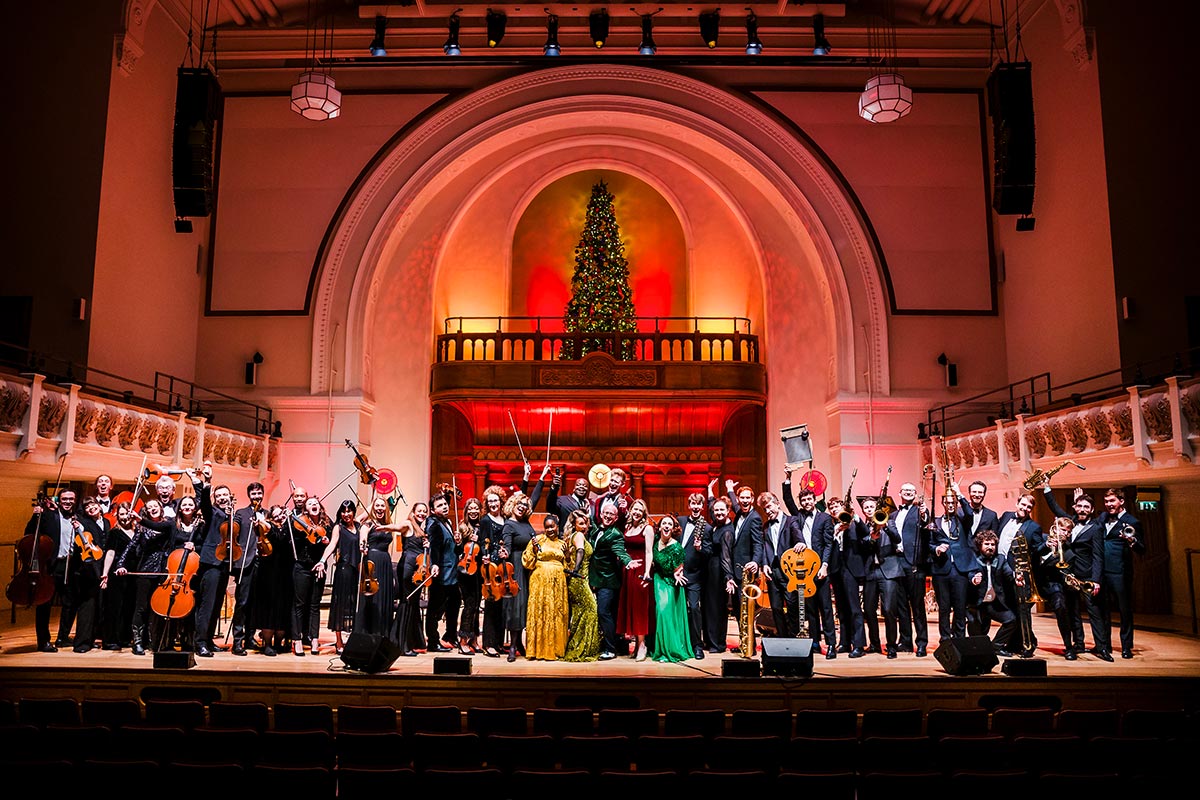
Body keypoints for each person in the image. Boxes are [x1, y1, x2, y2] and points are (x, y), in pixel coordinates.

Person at [1039, 485, 1107, 660]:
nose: (1083, 510)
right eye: (1080, 506)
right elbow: (1055, 507)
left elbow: (1098, 555)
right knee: (1073, 611)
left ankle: (1101, 647)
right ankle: (1079, 644)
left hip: (1087, 574)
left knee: (1094, 612)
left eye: (1086, 507)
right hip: (1069, 574)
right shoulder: (1069, 521)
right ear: (1075, 507)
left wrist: (1096, 580)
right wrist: (1046, 488)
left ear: (1091, 510)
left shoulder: (1096, 527)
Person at [23, 489, 77, 652]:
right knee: (44, 604)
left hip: (71, 565)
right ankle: (43, 641)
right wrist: (36, 515)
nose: (68, 502)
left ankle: (63, 637)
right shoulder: (49, 516)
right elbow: (30, 532)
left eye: (71, 499)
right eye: (65, 499)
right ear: (59, 501)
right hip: (52, 566)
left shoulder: (78, 518)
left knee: (70, 604)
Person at [787, 488, 837, 657]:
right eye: (804, 500)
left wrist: (824, 566)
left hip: (820, 568)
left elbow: (828, 544)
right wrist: (787, 479)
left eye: (809, 499)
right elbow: (788, 500)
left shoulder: (825, 518)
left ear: (814, 500)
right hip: (805, 570)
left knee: (825, 608)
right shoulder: (798, 516)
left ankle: (831, 644)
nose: (807, 502)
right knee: (810, 608)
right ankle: (814, 642)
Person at [994, 493, 1044, 656]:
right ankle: (1014, 643)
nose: (1025, 508)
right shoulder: (1006, 516)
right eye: (1023, 504)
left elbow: (1036, 551)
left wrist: (1048, 545)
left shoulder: (1033, 527)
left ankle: (1029, 645)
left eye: (1029, 507)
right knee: (1010, 609)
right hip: (1000, 569)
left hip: (1018, 573)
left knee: (1022, 610)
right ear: (1017, 503)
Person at [1097, 488, 1144, 659]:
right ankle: (1105, 645)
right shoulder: (1102, 517)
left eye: (1112, 501)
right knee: (1104, 610)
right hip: (1102, 572)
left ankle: (1126, 647)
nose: (1109, 505)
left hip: (1120, 572)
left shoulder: (1133, 521)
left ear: (1121, 501)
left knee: (1124, 611)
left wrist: (1132, 540)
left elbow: (1142, 549)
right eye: (1107, 501)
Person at [192, 480, 238, 657]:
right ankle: (200, 642)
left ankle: (209, 640)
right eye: (218, 496)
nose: (222, 498)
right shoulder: (212, 512)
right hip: (211, 563)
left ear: (230, 496)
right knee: (207, 604)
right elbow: (205, 504)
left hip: (226, 563)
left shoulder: (231, 514)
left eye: (224, 494)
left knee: (217, 604)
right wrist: (206, 487)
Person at [719, 481, 764, 654]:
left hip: (746, 570)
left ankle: (750, 646)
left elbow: (758, 543)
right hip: (736, 570)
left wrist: (755, 562)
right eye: (741, 498)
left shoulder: (755, 518)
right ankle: (745, 643)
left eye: (747, 498)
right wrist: (730, 489)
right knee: (739, 610)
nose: (744, 501)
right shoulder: (739, 512)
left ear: (752, 499)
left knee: (747, 610)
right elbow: (735, 503)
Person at [886, 482, 931, 657]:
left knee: (917, 606)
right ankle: (905, 641)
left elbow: (926, 521)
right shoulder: (893, 514)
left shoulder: (919, 511)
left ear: (915, 494)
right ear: (899, 493)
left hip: (914, 562)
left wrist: (924, 513)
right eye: (905, 490)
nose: (908, 493)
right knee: (901, 606)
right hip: (896, 562)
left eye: (911, 491)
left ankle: (921, 643)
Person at [929, 491, 979, 644]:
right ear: (943, 504)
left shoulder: (963, 520)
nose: (951, 505)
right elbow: (929, 543)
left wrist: (960, 494)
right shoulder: (935, 522)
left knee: (960, 607)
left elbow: (970, 513)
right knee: (943, 608)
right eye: (948, 502)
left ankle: (960, 639)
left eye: (953, 502)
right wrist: (936, 549)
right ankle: (945, 639)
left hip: (960, 569)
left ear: (957, 504)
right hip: (941, 570)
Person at [590, 500, 636, 660]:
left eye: (612, 514)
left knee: (604, 612)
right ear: (601, 515)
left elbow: (619, 550)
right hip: (595, 578)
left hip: (608, 581)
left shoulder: (615, 534)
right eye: (606, 513)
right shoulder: (596, 529)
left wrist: (628, 561)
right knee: (602, 613)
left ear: (616, 518)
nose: (608, 516)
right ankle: (603, 644)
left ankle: (610, 649)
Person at [61, 495, 109, 652]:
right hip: (88, 568)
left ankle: (93, 638)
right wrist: (78, 527)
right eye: (87, 507)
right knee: (87, 606)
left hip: (104, 566)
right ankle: (81, 643)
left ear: (99, 506)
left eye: (93, 504)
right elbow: (81, 533)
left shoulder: (107, 522)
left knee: (100, 606)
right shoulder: (84, 522)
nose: (91, 508)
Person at [225, 483, 266, 656]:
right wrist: (230, 516)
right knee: (242, 603)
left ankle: (250, 637)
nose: (256, 496)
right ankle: (238, 641)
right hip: (245, 563)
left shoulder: (267, 514)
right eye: (254, 493)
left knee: (257, 603)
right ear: (249, 495)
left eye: (259, 493)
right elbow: (232, 531)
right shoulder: (241, 513)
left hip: (263, 563)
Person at [522, 514, 569, 660]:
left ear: (557, 526)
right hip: (539, 582)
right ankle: (537, 650)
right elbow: (527, 562)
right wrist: (535, 552)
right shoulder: (537, 541)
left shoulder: (563, 543)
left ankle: (555, 649)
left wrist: (567, 556)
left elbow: (568, 568)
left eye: (552, 526)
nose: (549, 529)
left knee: (556, 613)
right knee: (540, 612)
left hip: (558, 583)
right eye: (547, 527)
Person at [859, 496, 902, 658]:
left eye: (872, 506)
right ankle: (875, 644)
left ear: (876, 508)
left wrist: (885, 527)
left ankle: (891, 645)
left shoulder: (889, 522)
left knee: (890, 609)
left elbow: (897, 539)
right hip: (871, 571)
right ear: (863, 511)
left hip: (888, 571)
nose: (869, 509)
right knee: (868, 609)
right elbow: (861, 547)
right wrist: (870, 539)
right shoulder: (863, 527)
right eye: (866, 507)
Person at [249, 504, 293, 657]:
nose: (280, 517)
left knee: (282, 609)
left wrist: (289, 519)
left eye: (282, 514)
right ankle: (267, 644)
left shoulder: (290, 528)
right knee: (268, 609)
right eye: (277, 515)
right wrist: (262, 520)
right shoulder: (268, 527)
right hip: (268, 573)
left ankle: (278, 643)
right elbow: (274, 533)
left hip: (285, 573)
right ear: (271, 517)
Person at [827, 497, 867, 658]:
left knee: (854, 608)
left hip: (851, 568)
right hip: (836, 568)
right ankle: (844, 642)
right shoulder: (830, 525)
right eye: (832, 507)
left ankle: (859, 644)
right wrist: (834, 533)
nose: (834, 509)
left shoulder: (853, 522)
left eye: (837, 506)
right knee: (841, 609)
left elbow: (865, 533)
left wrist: (855, 517)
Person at [321, 500, 363, 655]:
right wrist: (322, 560)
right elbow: (332, 545)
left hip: (357, 570)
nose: (346, 514)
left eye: (349, 511)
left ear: (353, 511)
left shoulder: (358, 526)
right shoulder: (338, 528)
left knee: (355, 606)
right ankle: (338, 641)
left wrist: (374, 486)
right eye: (343, 511)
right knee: (341, 605)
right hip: (343, 570)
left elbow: (371, 507)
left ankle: (352, 639)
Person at [649, 515, 693, 662]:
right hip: (657, 579)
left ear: (673, 529)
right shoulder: (655, 542)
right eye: (664, 523)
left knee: (664, 612)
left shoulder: (677, 547)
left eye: (670, 524)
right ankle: (658, 647)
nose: (667, 526)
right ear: (660, 527)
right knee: (658, 613)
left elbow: (679, 567)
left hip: (670, 582)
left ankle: (669, 650)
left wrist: (678, 574)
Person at [291, 497, 331, 656]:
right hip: (302, 566)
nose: (314, 505)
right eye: (310, 503)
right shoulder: (299, 523)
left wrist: (325, 542)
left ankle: (315, 639)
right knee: (299, 605)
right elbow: (294, 538)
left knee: (315, 605)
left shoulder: (326, 524)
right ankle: (297, 640)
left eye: (316, 503)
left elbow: (333, 541)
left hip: (319, 567)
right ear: (305, 509)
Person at [970, 529, 1019, 655]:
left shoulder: (1001, 559)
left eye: (992, 544)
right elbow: (968, 573)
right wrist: (973, 579)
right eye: (987, 544)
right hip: (977, 603)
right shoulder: (973, 559)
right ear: (980, 545)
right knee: (977, 636)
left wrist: (1016, 576)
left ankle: (996, 646)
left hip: (994, 603)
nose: (990, 547)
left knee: (1011, 620)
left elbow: (1008, 573)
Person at [617, 498, 655, 661]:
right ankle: (636, 645)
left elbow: (649, 552)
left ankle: (642, 645)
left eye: (640, 510)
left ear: (644, 513)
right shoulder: (627, 527)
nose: (637, 512)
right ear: (631, 510)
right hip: (627, 571)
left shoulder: (647, 529)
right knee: (631, 607)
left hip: (640, 570)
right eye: (635, 509)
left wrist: (647, 572)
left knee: (640, 608)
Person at [676, 492, 712, 660]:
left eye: (699, 504)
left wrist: (700, 549)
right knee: (675, 608)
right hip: (675, 573)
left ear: (702, 507)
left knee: (694, 609)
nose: (696, 507)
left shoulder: (707, 527)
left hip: (694, 576)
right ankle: (678, 643)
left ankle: (697, 645)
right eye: (693, 503)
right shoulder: (680, 522)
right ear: (689, 505)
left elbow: (708, 553)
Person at [501, 491, 536, 661]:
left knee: (526, 606)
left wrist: (542, 480)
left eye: (525, 505)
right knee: (516, 606)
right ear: (512, 505)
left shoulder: (526, 522)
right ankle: (513, 646)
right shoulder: (509, 524)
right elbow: (507, 546)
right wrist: (504, 552)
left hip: (529, 566)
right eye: (519, 504)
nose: (522, 507)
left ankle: (520, 643)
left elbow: (534, 498)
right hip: (517, 566)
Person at [562, 508, 600, 662]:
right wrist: (576, 570)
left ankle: (578, 645)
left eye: (586, 524)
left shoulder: (574, 536)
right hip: (579, 579)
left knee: (579, 614)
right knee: (591, 610)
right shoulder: (578, 536)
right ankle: (582, 647)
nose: (584, 527)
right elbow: (580, 552)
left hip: (578, 579)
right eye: (581, 524)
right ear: (574, 525)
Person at [99, 502, 138, 651]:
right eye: (121, 514)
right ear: (117, 516)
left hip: (133, 574)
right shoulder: (114, 532)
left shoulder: (138, 531)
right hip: (117, 573)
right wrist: (105, 573)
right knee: (114, 608)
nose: (124, 517)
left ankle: (124, 638)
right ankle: (110, 640)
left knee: (129, 607)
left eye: (127, 513)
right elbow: (110, 553)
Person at [425, 493, 460, 653]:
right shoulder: (433, 524)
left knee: (454, 604)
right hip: (441, 572)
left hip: (451, 572)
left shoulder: (447, 522)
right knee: (435, 609)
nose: (444, 506)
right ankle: (433, 641)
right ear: (432, 510)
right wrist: (435, 564)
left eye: (445, 504)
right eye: (439, 505)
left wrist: (457, 542)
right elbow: (435, 547)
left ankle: (450, 636)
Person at [395, 501, 430, 656]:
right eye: (419, 511)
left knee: (413, 604)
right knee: (407, 602)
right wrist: (384, 527)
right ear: (413, 512)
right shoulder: (409, 524)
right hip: (408, 567)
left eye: (424, 511)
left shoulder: (422, 529)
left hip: (418, 569)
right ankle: (402, 644)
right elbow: (396, 528)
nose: (422, 514)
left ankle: (412, 641)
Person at [477, 486, 508, 657]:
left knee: (502, 606)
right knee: (491, 604)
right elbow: (484, 542)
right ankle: (488, 644)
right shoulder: (485, 520)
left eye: (495, 501)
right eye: (490, 502)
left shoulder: (505, 518)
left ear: (501, 501)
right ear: (487, 504)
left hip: (503, 565)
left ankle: (498, 642)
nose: (493, 504)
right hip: (491, 565)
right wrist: (485, 556)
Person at [703, 497, 734, 654]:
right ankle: (709, 641)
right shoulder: (716, 525)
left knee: (717, 609)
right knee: (709, 608)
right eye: (716, 510)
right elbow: (711, 507)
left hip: (719, 570)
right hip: (710, 570)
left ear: (728, 511)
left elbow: (726, 555)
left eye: (722, 510)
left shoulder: (727, 530)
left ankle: (718, 644)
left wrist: (728, 577)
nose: (719, 512)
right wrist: (710, 495)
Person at [457, 497, 484, 652]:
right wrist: (459, 543)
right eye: (470, 509)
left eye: (476, 508)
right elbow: (458, 551)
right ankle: (462, 640)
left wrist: (480, 540)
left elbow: (485, 546)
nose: (473, 511)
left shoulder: (482, 527)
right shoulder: (462, 528)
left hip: (479, 570)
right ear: (466, 511)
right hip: (465, 571)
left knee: (476, 605)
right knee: (469, 605)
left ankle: (473, 639)